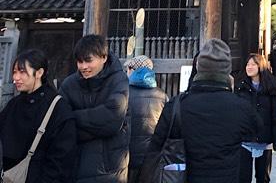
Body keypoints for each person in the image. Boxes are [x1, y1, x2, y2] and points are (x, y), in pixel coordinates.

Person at [140, 38, 258, 183]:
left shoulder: (178, 105)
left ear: (199, 68)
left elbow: (156, 147)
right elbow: (256, 130)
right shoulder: (241, 107)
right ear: (227, 71)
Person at [60, 34, 130, 183]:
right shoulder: (69, 84)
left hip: (109, 169)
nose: (84, 67)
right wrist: (97, 125)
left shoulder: (118, 80)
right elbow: (61, 124)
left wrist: (74, 117)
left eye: (88, 60)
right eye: (80, 62)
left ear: (103, 57)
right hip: (74, 166)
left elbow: (112, 121)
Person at [0, 48, 76, 183]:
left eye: (22, 72)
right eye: (14, 72)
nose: (15, 78)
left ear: (39, 73)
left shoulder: (58, 108)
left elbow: (61, 160)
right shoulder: (14, 104)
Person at [235, 53, 276, 183]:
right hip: (244, 139)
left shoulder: (272, 87)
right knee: (242, 177)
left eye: (253, 64)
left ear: (260, 66)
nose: (249, 67)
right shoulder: (240, 87)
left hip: (265, 139)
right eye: (247, 64)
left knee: (263, 178)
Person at [124, 55, 167, 183]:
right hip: (151, 156)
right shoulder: (162, 96)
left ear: (133, 70)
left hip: (127, 155)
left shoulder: (124, 93)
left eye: (128, 68)